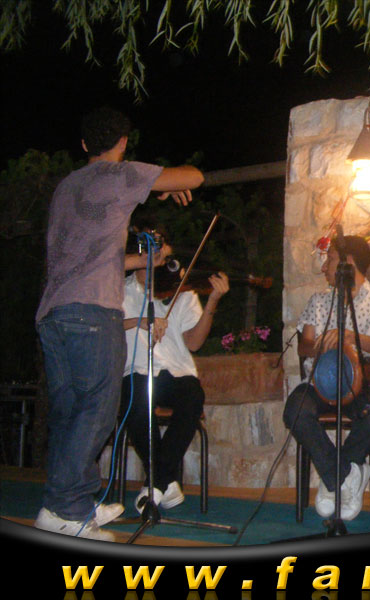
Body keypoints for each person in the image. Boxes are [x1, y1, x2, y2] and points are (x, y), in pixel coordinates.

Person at [34, 107, 204, 541]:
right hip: (92, 312)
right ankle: (67, 509)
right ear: (124, 142)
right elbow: (195, 176)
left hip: (54, 312)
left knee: (70, 414)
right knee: (96, 411)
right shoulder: (122, 174)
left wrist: (150, 212)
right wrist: (164, 186)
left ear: (84, 144)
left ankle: (66, 504)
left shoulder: (67, 186)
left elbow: (98, 257)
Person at [282, 235, 370, 521]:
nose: (324, 267)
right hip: (319, 383)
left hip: (359, 384)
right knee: (295, 410)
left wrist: (348, 336)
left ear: (348, 263)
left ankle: (333, 480)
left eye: (330, 259)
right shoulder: (319, 300)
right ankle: (344, 476)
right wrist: (319, 345)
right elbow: (304, 347)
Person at [121, 222, 229, 513]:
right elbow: (108, 326)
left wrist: (212, 302)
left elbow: (193, 343)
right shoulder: (119, 289)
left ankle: (156, 483)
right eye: (155, 257)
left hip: (176, 371)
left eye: (164, 257)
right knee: (135, 400)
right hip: (136, 371)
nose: (161, 264)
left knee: (192, 396)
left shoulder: (180, 291)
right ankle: (164, 482)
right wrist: (140, 321)